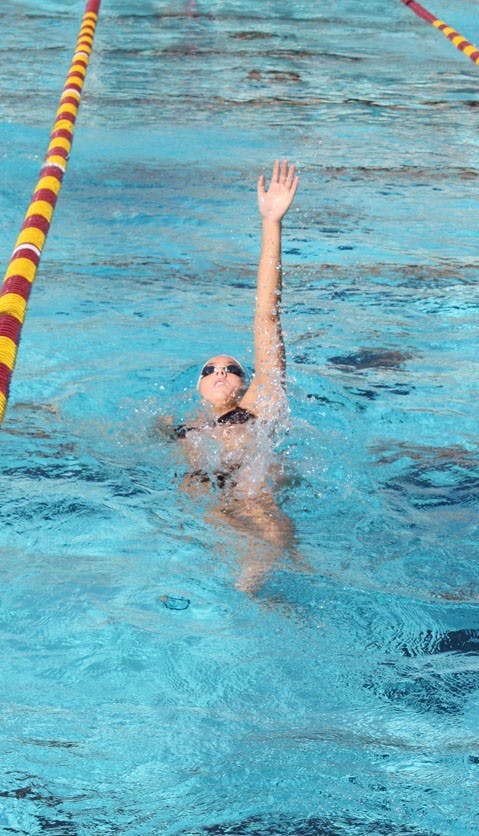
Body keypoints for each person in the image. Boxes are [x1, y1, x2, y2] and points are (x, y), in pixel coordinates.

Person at [168, 159, 300, 593]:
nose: (221, 372)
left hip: (253, 494)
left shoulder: (257, 405)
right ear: (199, 386)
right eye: (210, 370)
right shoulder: (183, 426)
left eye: (232, 368)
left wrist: (271, 224)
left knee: (275, 541)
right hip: (205, 502)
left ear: (247, 381)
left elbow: (266, 316)